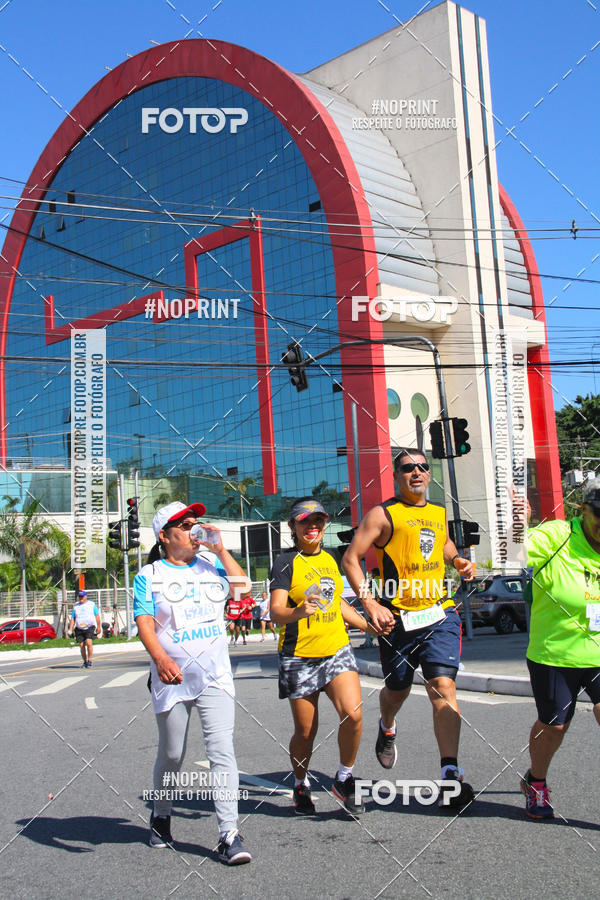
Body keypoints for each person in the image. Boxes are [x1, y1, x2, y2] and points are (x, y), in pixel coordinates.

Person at [342, 448, 475, 809]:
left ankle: (450, 776)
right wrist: (370, 604)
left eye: (422, 467)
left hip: (439, 613)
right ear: (397, 475)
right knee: (397, 689)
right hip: (397, 619)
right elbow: (351, 559)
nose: (416, 472)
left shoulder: (438, 512)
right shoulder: (383, 515)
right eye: (407, 468)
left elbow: (442, 542)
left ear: (429, 474)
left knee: (443, 686)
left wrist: (457, 559)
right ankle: (387, 725)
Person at [133, 501, 252, 865]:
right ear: (164, 536)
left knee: (222, 751)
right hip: (172, 678)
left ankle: (229, 834)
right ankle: (161, 815)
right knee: (172, 754)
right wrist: (161, 658)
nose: (193, 529)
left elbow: (242, 591)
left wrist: (221, 550)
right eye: (184, 526)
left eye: (195, 523)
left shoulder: (211, 564)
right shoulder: (149, 574)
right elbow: (144, 622)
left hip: (215, 676)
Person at [269, 497, 380, 817]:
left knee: (353, 714)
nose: (313, 526)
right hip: (299, 656)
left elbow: (337, 604)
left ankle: (344, 778)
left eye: (318, 520)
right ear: (293, 526)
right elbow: (276, 612)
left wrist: (369, 626)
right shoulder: (285, 563)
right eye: (305, 521)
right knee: (306, 732)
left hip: (336, 650)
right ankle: (300, 783)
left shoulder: (331, 558)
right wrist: (298, 611)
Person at [522, 478, 600, 819]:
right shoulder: (559, 536)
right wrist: (516, 525)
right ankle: (536, 781)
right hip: (554, 653)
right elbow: (513, 551)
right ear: (583, 510)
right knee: (554, 726)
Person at [68, 590, 101, 668]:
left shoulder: (91, 604)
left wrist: (99, 626)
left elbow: (97, 615)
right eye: (80, 597)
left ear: (86, 597)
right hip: (79, 628)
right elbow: (73, 618)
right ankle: (85, 661)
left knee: (89, 642)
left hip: (89, 627)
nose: (81, 598)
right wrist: (70, 629)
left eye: (82, 597)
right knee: (81, 645)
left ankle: (90, 660)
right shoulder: (76, 606)